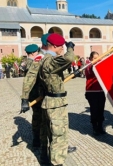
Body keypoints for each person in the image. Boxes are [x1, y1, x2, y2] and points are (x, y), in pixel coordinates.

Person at [39, 33, 75, 166]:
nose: (63, 49)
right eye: (61, 46)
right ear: (54, 46)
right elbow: (69, 58)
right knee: (59, 137)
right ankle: (57, 163)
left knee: (52, 134)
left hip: (50, 102)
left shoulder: (44, 59)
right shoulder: (50, 61)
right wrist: (70, 47)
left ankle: (48, 159)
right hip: (56, 105)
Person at [85, 51, 106, 136]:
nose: (97, 60)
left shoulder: (100, 65)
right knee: (94, 110)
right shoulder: (88, 66)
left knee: (101, 110)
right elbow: (90, 71)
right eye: (95, 58)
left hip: (101, 91)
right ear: (90, 59)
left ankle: (100, 127)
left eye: (98, 58)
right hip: (92, 92)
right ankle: (94, 128)